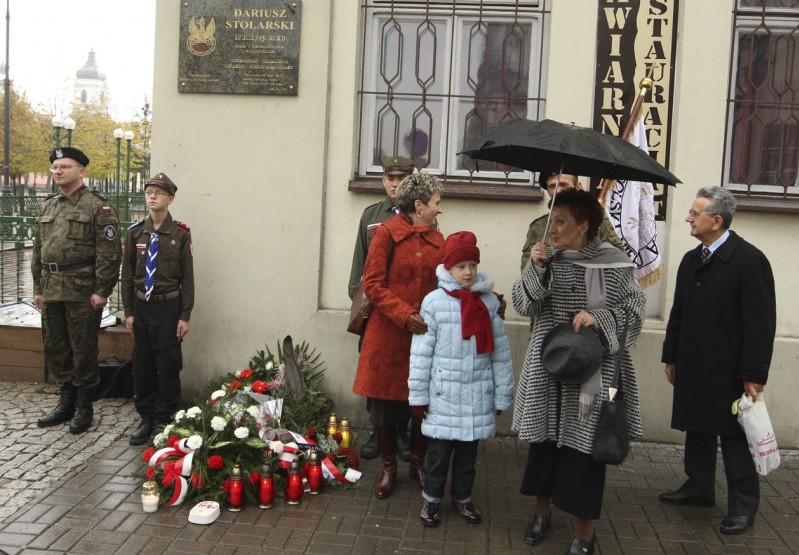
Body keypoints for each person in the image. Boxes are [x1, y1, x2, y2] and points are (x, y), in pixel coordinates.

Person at [511, 189, 645, 554]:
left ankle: (585, 533)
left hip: (592, 373)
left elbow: (634, 314)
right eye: (551, 220)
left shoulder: (615, 264)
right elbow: (523, 305)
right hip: (549, 366)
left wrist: (599, 317)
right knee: (543, 446)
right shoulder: (547, 259)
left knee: (584, 453)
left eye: (560, 222)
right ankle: (541, 515)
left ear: (583, 225)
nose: (551, 229)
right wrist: (537, 268)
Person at [659, 186, 776, 535]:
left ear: (717, 221)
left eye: (695, 213)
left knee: (736, 438)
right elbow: (679, 312)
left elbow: (761, 324)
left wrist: (754, 373)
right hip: (694, 364)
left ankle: (743, 506)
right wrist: (671, 355)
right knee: (698, 427)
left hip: (730, 370)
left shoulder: (750, 261)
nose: (688, 218)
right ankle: (699, 487)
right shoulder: (691, 259)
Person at [408, 231, 514, 527]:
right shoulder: (434, 302)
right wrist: (418, 396)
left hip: (477, 394)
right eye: (461, 266)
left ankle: (463, 498)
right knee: (438, 456)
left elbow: (500, 354)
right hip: (443, 396)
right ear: (449, 268)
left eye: (472, 265)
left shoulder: (488, 303)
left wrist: (502, 394)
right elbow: (421, 355)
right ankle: (431, 500)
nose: (468, 272)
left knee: (468, 457)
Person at [352, 172, 444, 500]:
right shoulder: (386, 234)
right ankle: (389, 467)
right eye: (435, 203)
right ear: (418, 205)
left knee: (422, 405)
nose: (439, 209)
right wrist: (404, 314)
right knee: (383, 407)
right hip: (387, 335)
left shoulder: (439, 239)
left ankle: (417, 463)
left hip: (425, 339)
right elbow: (372, 284)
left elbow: (449, 282)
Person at [33, 147, 122, 435]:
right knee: (56, 347)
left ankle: (85, 405)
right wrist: (37, 287)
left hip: (82, 289)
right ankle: (66, 401)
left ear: (81, 171)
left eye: (65, 167)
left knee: (83, 349)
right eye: (55, 167)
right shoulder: (49, 205)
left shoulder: (98, 206)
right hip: (51, 288)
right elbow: (38, 249)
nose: (58, 171)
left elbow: (110, 253)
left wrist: (102, 290)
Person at [349, 155, 415, 462]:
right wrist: (358, 297)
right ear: (383, 181)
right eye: (391, 178)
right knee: (374, 372)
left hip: (404, 310)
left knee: (404, 372)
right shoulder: (371, 215)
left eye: (402, 179)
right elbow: (359, 261)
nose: (395, 184)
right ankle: (378, 433)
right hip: (376, 308)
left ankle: (400, 433)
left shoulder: (420, 214)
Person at [121, 173, 195, 446]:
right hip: (142, 306)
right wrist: (129, 312)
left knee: (167, 364)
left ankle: (164, 418)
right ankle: (146, 417)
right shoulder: (135, 233)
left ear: (170, 199)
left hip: (168, 308)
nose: (152, 197)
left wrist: (184, 316)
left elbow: (187, 279)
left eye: (158, 193)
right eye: (149, 192)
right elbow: (127, 275)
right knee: (142, 364)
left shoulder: (180, 234)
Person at [520, 172, 625, 273]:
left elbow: (620, 264)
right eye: (552, 186)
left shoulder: (597, 223)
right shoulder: (539, 226)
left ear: (578, 187)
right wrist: (537, 266)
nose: (557, 190)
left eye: (563, 185)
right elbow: (525, 272)